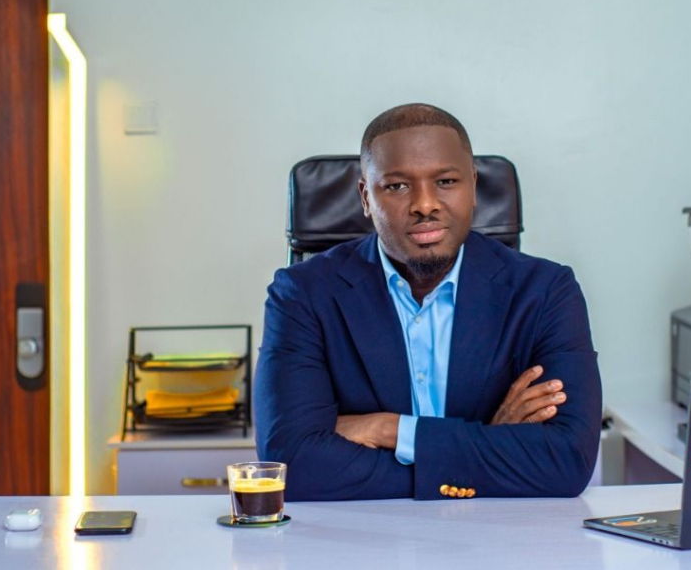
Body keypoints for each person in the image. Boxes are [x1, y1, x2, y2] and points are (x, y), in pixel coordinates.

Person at [255, 103, 601, 500]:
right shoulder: (302, 294)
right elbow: (293, 465)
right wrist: (490, 442)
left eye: (446, 181)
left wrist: (388, 429)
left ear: (473, 186)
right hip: (363, 535)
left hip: (500, 533)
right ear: (366, 197)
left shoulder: (546, 291)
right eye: (397, 186)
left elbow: (567, 462)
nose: (424, 204)